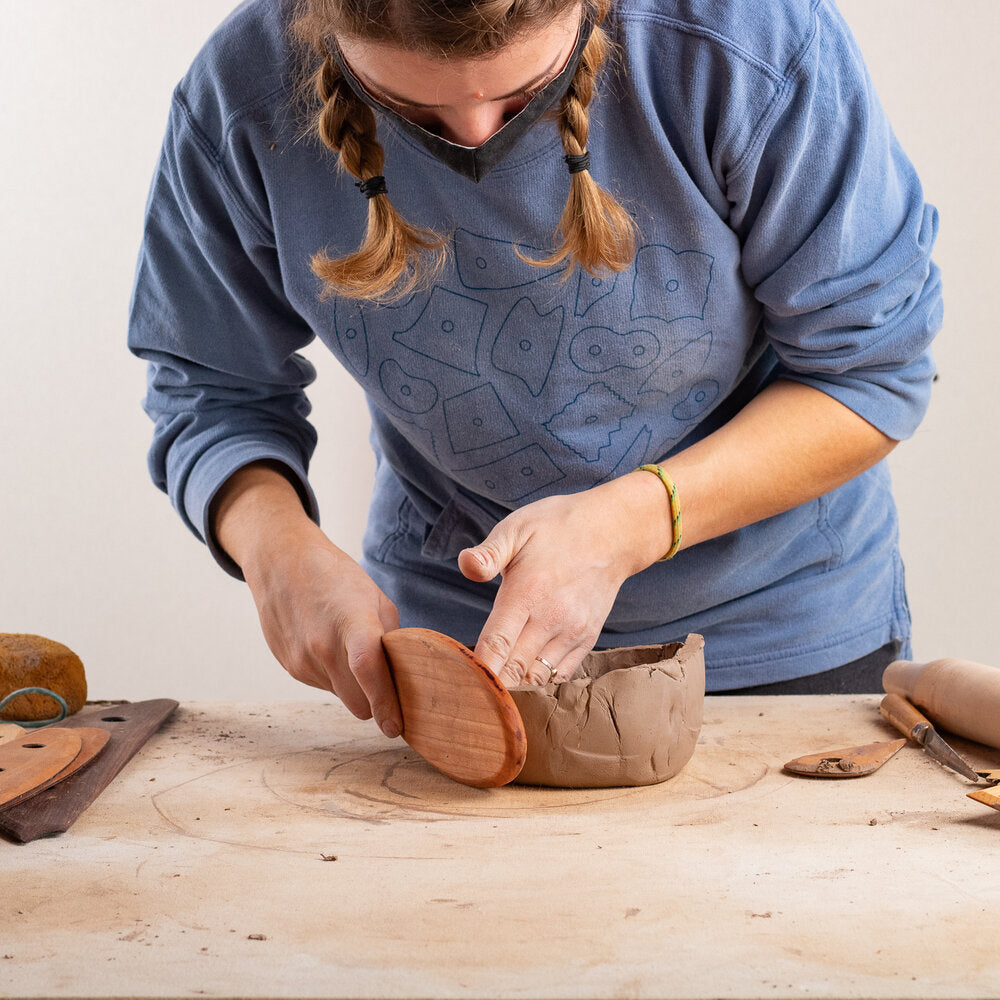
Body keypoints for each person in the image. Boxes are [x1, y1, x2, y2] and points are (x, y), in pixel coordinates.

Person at [128, 0, 942, 738]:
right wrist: (277, 548)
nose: (479, 137)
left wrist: (624, 525)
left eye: (523, 96)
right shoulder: (238, 93)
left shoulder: (748, 42)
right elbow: (208, 393)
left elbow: (868, 375)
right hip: (458, 652)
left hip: (778, 636)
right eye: (414, 110)